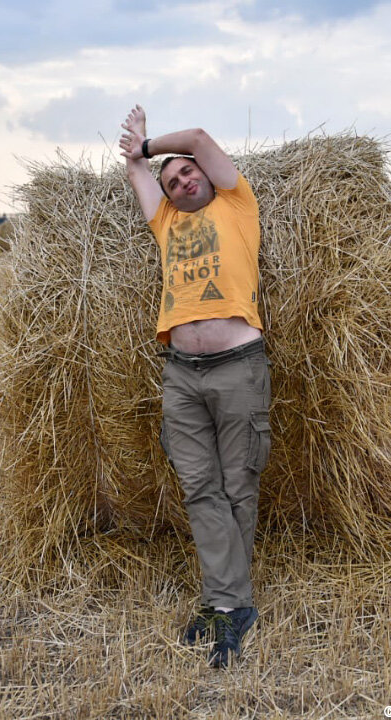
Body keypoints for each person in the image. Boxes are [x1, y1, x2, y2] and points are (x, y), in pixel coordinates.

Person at [118, 105, 271, 669]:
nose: (182, 181)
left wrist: (154, 142)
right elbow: (138, 171)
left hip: (238, 366)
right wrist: (136, 151)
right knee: (199, 488)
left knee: (237, 486)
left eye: (187, 172)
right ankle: (226, 602)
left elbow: (200, 138)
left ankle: (227, 605)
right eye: (173, 182)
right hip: (181, 374)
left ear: (205, 174)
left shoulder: (237, 204)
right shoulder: (165, 222)